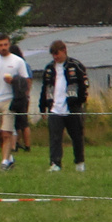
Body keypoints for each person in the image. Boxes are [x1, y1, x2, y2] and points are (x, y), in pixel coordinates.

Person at [38, 39, 88, 172]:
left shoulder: (76, 65)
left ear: (64, 51)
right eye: (53, 54)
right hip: (55, 109)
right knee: (55, 138)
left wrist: (79, 101)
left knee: (77, 136)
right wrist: (42, 107)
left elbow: (84, 85)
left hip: (72, 108)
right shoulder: (49, 68)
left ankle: (79, 162)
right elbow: (44, 88)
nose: (55, 57)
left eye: (57, 53)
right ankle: (55, 164)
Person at [0, 36, 29, 171]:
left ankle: (4, 162)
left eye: (5, 45)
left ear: (9, 45)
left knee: (6, 133)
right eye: (0, 45)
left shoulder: (18, 61)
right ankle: (9, 157)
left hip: (10, 100)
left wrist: (14, 81)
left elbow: (25, 81)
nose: (3, 47)